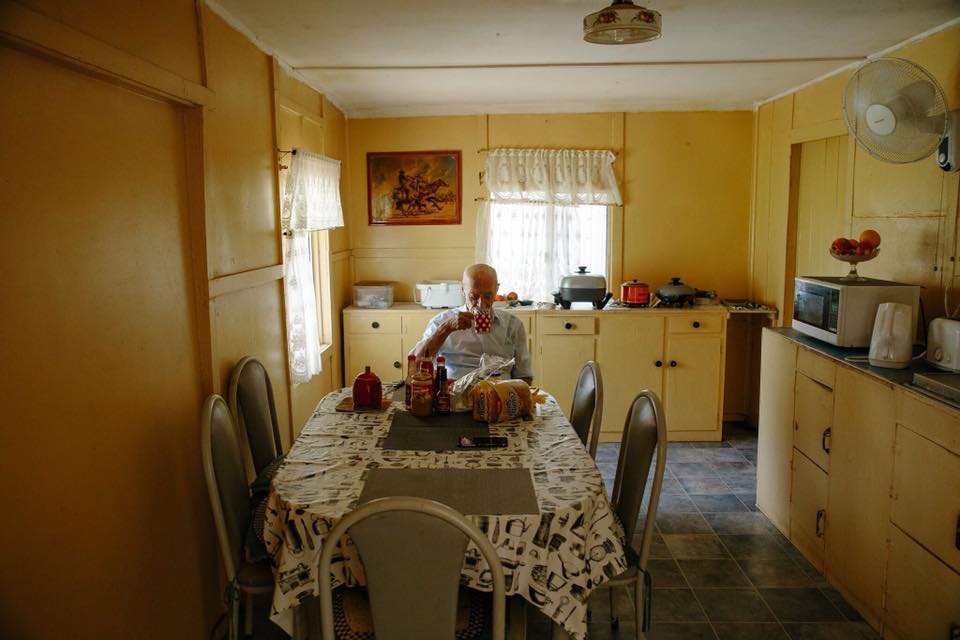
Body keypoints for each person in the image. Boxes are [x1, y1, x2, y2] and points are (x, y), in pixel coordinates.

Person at [411, 264, 533, 384]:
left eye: (488, 296)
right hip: (455, 395)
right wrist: (445, 328)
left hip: (500, 396)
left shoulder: (512, 325)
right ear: (462, 290)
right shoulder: (441, 321)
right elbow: (415, 365)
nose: (481, 304)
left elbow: (524, 375)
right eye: (473, 296)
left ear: (497, 290)